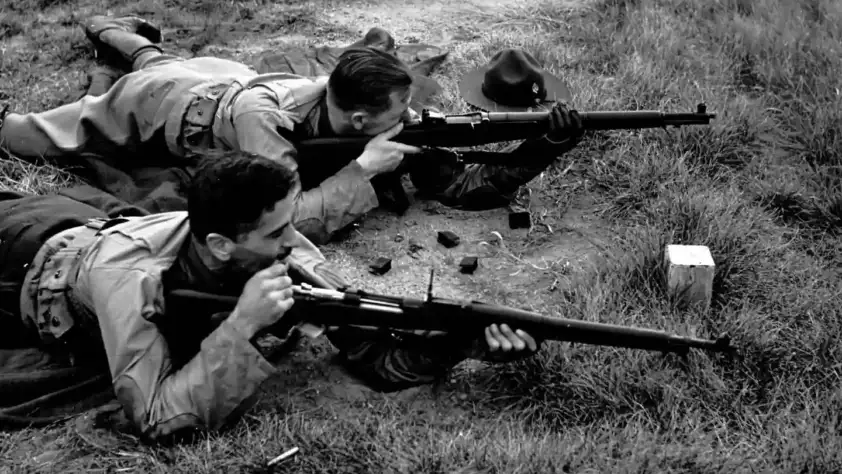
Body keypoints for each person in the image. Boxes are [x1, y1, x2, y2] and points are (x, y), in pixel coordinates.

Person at [0, 150, 541, 443]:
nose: (295, 243)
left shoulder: (271, 248)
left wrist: (460, 345)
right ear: (220, 243)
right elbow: (157, 418)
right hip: (23, 261)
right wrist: (240, 328)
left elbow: (369, 348)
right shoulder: (132, 281)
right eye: (276, 233)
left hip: (84, 223)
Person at [0, 16, 584, 244]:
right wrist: (361, 172)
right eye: (394, 116)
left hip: (226, 74)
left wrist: (544, 144)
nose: (406, 123)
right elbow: (286, 218)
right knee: (29, 135)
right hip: (165, 107)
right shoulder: (266, 123)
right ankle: (107, 30)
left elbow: (462, 187)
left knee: (158, 56)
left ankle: (115, 29)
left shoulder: (354, 98)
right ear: (358, 120)